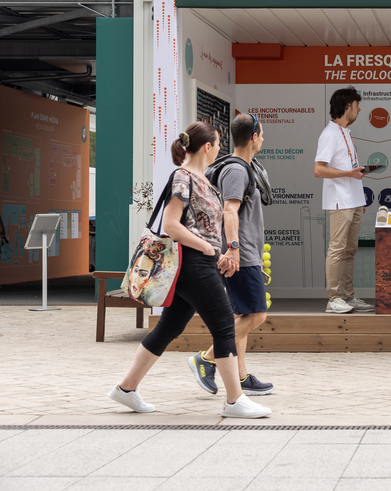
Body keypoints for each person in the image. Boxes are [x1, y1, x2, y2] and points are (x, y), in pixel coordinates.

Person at [108, 122, 271, 418]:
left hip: (199, 261)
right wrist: (208, 248)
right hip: (190, 263)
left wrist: (218, 251)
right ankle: (235, 400)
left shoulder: (202, 179)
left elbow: (204, 227)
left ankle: (125, 389)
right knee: (224, 325)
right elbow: (171, 225)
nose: (221, 147)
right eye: (218, 143)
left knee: (169, 328)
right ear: (207, 147)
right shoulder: (182, 178)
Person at [190, 113, 273, 397]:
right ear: (253, 138)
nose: (262, 140)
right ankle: (206, 358)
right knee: (257, 315)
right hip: (240, 253)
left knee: (244, 314)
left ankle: (240, 376)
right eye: (261, 135)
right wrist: (235, 250)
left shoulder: (239, 167)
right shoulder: (237, 170)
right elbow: (229, 210)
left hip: (246, 253)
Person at [314, 87, 373, 314]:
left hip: (354, 201)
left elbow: (350, 169)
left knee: (350, 250)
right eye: (357, 105)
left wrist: (359, 199)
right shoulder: (329, 134)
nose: (359, 109)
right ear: (347, 107)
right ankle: (333, 298)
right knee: (337, 249)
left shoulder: (345, 132)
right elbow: (319, 170)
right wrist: (350, 175)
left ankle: (348, 297)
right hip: (339, 201)